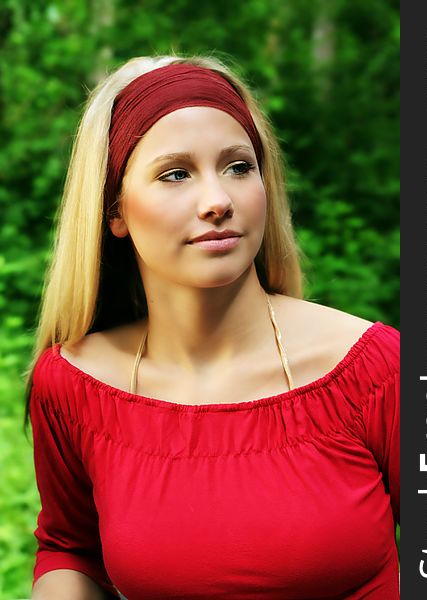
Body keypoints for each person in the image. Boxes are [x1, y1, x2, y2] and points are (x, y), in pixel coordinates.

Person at [26, 54, 400, 600]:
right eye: (175, 174)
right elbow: (70, 547)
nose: (218, 201)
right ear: (116, 212)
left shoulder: (376, 369)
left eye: (239, 167)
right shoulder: (72, 385)